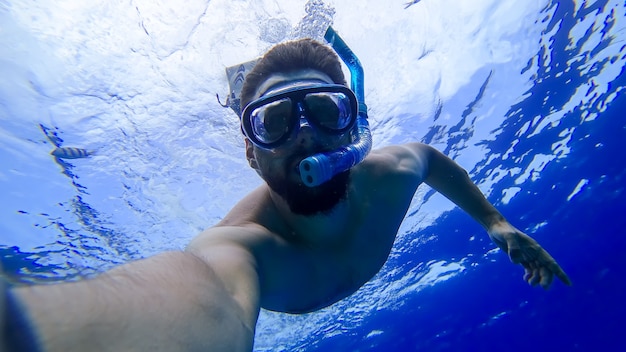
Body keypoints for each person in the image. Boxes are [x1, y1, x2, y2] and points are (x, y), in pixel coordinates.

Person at [4, 38, 570, 352]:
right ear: (252, 152)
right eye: (274, 121)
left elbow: (432, 162)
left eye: (325, 110)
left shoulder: (392, 169)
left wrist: (494, 222)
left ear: (353, 130)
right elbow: (204, 292)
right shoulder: (242, 249)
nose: (304, 134)